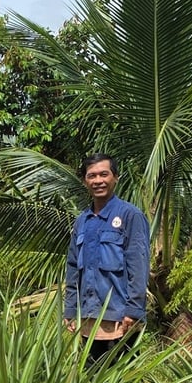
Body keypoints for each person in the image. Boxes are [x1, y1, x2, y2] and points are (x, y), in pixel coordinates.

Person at [63, 154, 150, 369]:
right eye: (91, 176)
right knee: (92, 378)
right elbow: (73, 268)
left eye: (104, 174)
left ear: (115, 178)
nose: (98, 180)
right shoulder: (82, 221)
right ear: (85, 181)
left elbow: (138, 266)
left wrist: (133, 310)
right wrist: (70, 310)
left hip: (120, 317)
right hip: (89, 317)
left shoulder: (130, 215)